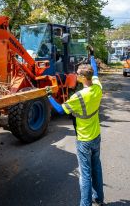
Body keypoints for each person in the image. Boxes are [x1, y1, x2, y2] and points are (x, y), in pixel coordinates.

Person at [46, 51, 104, 206]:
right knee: (96, 168)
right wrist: (92, 57)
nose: (75, 74)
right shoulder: (98, 87)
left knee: (85, 174)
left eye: (77, 73)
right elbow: (96, 71)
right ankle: (99, 198)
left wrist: (49, 96)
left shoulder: (78, 97)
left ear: (83, 77)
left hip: (84, 140)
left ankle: (85, 204)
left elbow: (59, 110)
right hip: (96, 136)